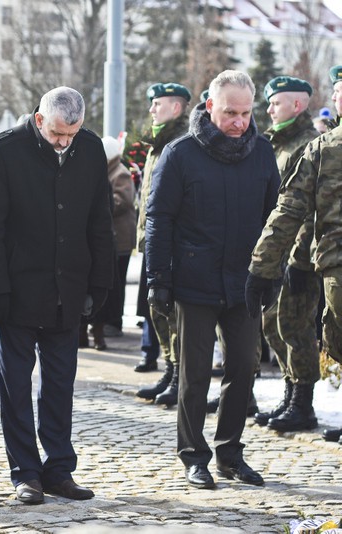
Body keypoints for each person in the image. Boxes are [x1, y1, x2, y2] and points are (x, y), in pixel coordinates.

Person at [0, 87, 113, 504]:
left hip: (68, 290)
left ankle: (59, 469)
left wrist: (100, 285)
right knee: (15, 388)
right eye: (56, 133)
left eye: (72, 134)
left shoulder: (90, 149)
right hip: (15, 293)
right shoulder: (2, 151)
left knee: (60, 386)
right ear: (39, 119)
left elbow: (100, 220)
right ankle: (25, 473)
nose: (64, 142)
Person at [146, 70, 280, 489]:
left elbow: (274, 218)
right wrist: (158, 277)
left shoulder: (262, 152)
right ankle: (193, 456)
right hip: (194, 281)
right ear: (210, 107)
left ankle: (230, 453)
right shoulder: (180, 153)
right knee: (195, 373)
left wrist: (271, 271)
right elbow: (158, 218)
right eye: (229, 113)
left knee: (243, 367)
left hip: (244, 282)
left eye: (245, 113)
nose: (239, 122)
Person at [247, 65, 342, 444]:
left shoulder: (317, 145)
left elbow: (293, 212)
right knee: (314, 332)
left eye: (340, 92)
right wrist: (264, 264)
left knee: (307, 329)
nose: (334, 97)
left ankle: (301, 400)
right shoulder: (321, 146)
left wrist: (272, 264)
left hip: (320, 258)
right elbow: (287, 208)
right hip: (323, 259)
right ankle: (295, 397)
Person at [252, 76, 321, 432]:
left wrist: (300, 257)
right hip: (278, 251)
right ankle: (290, 392)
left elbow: (308, 209)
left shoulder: (308, 143)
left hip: (298, 254)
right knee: (274, 324)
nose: (269, 110)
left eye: (275, 103)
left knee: (295, 326)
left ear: (297, 105)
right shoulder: (278, 143)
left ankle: (303, 403)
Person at [135, 83, 191, 408]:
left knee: (171, 314)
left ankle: (179, 375)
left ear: (176, 108)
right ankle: (170, 370)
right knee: (157, 311)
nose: (152, 110)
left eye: (157, 104)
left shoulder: (180, 142)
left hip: (170, 242)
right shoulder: (158, 144)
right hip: (152, 240)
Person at [84, 136, 135, 350]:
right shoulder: (108, 171)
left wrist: (98, 206)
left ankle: (113, 323)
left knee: (115, 284)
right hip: (114, 236)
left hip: (120, 239)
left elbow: (122, 201)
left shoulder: (119, 173)